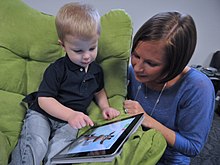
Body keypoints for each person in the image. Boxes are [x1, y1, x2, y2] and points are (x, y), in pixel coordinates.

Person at [9, 2, 120, 165]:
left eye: (92, 48)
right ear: (64, 46)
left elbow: (98, 90)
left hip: (70, 122)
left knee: (61, 151)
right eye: (78, 51)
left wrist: (105, 107)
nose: (87, 56)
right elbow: (44, 100)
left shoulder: (96, 71)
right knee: (36, 144)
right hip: (43, 114)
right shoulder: (57, 69)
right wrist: (70, 114)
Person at [123, 11, 215, 164]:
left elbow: (192, 147)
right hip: (129, 149)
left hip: (166, 160)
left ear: (175, 65)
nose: (138, 68)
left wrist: (147, 119)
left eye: (151, 63)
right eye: (136, 55)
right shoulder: (131, 70)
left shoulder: (198, 87)